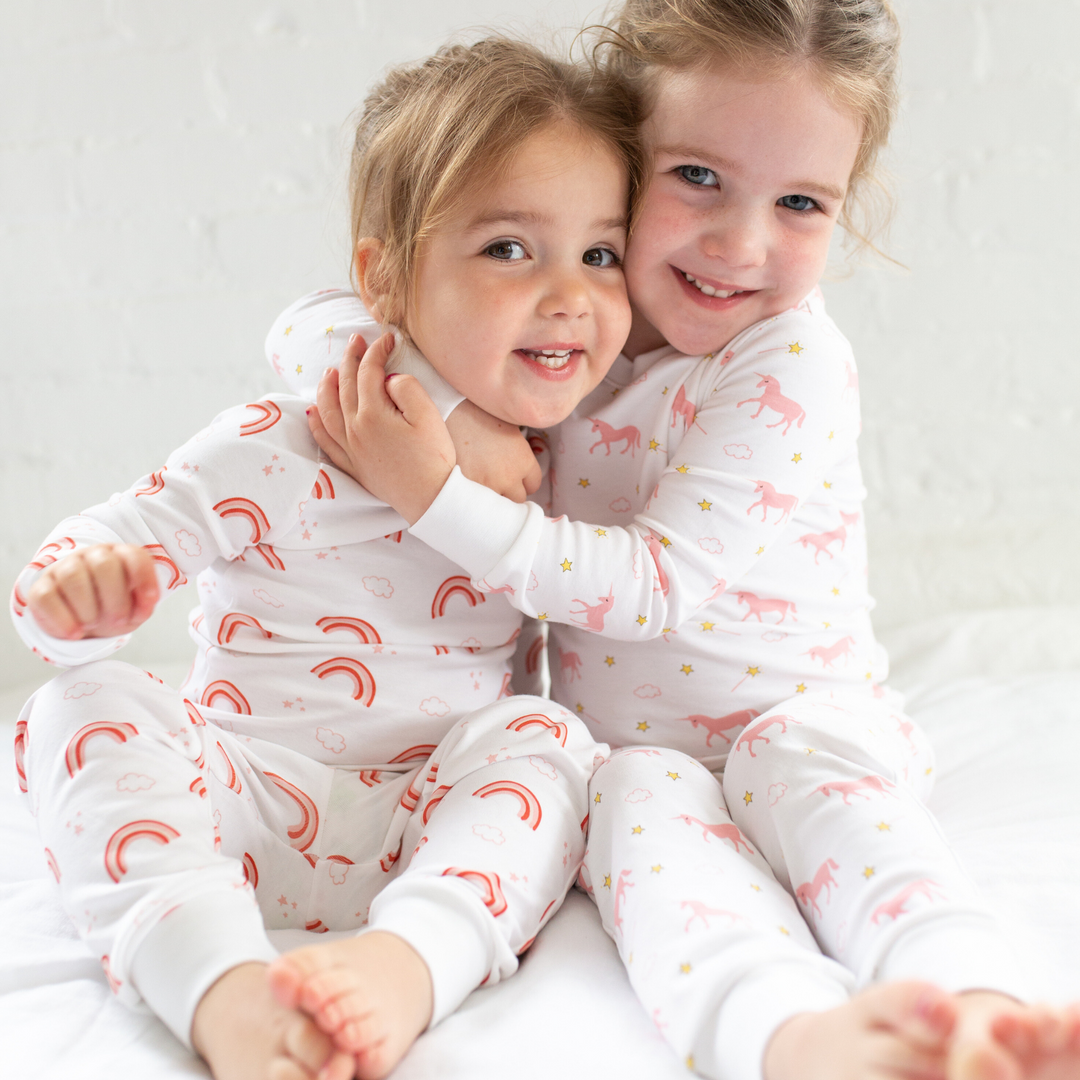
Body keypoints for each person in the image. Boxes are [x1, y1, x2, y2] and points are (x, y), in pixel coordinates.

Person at [298, 3, 1080, 1079]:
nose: (740, 244)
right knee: (642, 839)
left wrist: (436, 488)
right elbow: (321, 325)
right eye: (698, 178)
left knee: (823, 798)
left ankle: (969, 998)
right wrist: (464, 414)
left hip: (807, 714)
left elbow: (653, 586)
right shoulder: (572, 316)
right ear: (623, 160)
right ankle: (793, 1038)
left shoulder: (786, 361)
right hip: (641, 752)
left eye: (801, 202)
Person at [9, 37, 643, 1080]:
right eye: (508, 249)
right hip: (243, 794)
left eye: (601, 253)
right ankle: (217, 987)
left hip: (425, 811)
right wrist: (78, 595)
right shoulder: (282, 441)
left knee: (549, 740)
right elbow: (122, 534)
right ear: (384, 277)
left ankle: (409, 962)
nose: (571, 294)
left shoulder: (566, 469)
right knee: (79, 706)